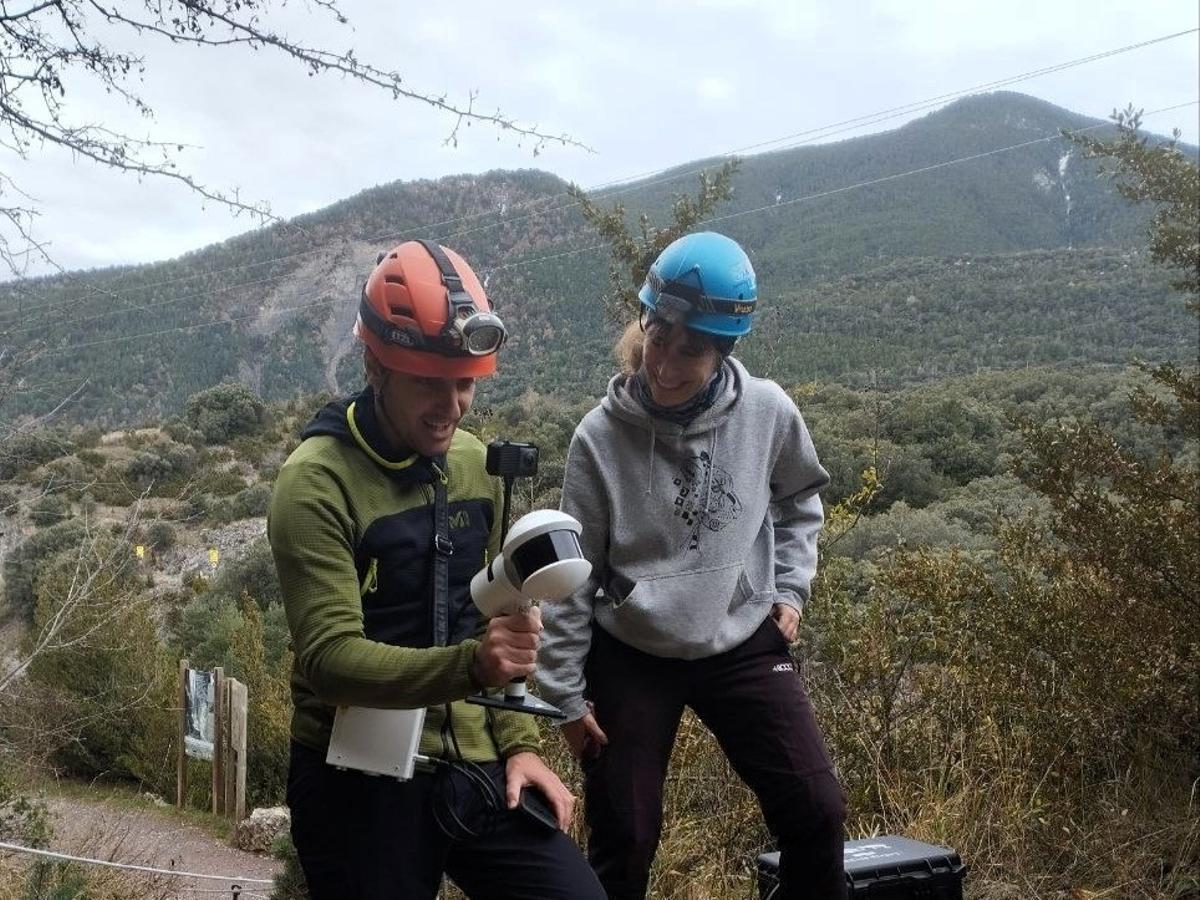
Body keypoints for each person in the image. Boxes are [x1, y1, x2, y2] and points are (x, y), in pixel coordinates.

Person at [268, 240, 604, 900]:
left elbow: (500, 613)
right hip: (351, 770)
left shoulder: (475, 464)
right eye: (428, 381)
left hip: (471, 756)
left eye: (465, 383)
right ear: (376, 364)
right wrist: (470, 667)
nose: (450, 407)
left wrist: (519, 744)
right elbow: (331, 658)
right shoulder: (315, 483)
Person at [539, 231, 847, 899]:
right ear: (643, 323)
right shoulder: (599, 437)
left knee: (817, 811)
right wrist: (563, 694)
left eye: (691, 351)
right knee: (626, 838)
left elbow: (800, 499)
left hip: (738, 636)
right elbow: (573, 574)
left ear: (724, 350)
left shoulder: (767, 411)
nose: (667, 365)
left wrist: (790, 587)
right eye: (657, 338)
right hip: (632, 648)